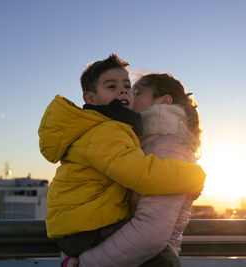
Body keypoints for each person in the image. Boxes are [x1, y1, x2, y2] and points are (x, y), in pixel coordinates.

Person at [37, 55, 205, 266]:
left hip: (85, 227)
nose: (126, 91)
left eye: (132, 88)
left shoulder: (158, 143)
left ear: (164, 101)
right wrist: (192, 176)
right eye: (112, 86)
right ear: (89, 98)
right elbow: (141, 174)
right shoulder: (107, 130)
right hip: (89, 228)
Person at [76, 73, 202, 267]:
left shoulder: (166, 147)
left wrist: (84, 263)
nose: (130, 96)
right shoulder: (148, 143)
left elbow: (150, 232)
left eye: (138, 91)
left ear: (165, 101)